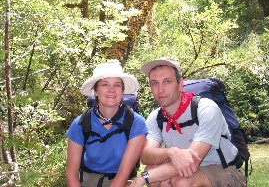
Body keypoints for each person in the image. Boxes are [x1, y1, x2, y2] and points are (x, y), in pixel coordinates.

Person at [130, 57, 246, 187]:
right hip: (184, 169)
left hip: (225, 169)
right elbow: (146, 155)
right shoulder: (156, 117)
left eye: (167, 81)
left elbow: (191, 161)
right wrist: (170, 152)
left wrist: (142, 179)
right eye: (154, 83)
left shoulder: (206, 109)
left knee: (182, 182)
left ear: (180, 84)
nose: (160, 89)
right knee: (154, 174)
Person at [66, 59, 148, 187]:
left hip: (122, 182)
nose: (111, 90)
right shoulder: (81, 124)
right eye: (105, 84)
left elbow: (123, 173)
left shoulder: (136, 123)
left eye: (117, 85)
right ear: (96, 91)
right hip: (87, 181)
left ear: (122, 90)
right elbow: (71, 174)